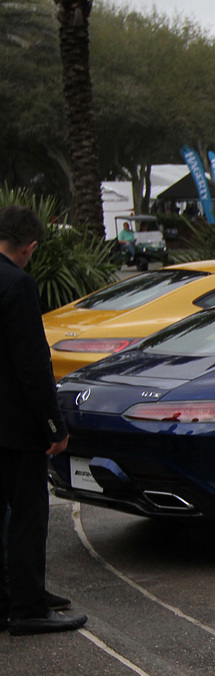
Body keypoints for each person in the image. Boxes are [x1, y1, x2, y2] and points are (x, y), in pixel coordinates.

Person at [0, 205, 87, 636]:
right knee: (29, 515)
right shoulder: (18, 285)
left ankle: (12, 594)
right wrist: (54, 426)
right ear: (29, 247)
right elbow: (33, 363)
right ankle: (29, 605)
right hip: (14, 426)